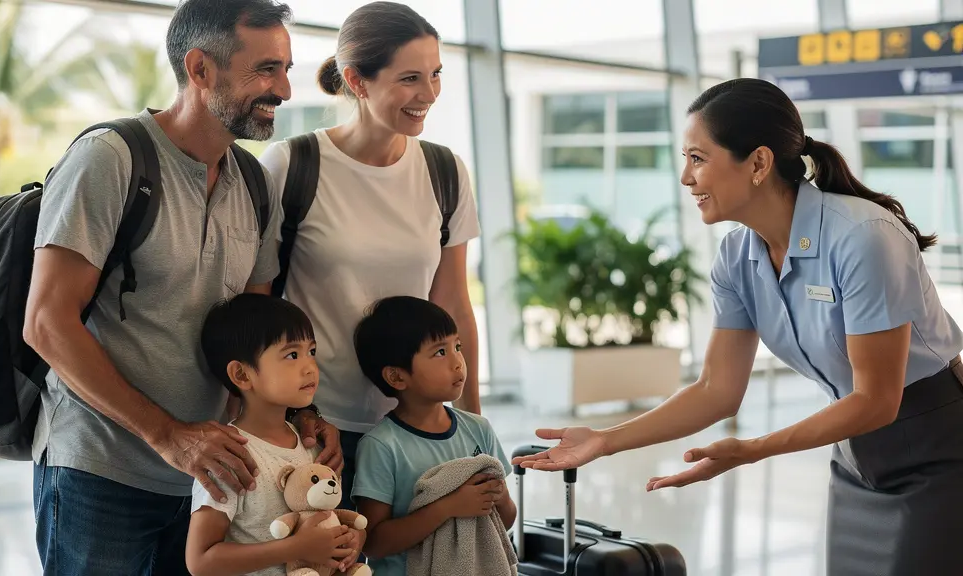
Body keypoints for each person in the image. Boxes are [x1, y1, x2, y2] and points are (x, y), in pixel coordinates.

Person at [512, 77, 963, 576]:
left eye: (698, 158)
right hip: (857, 453)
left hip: (938, 447)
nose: (686, 177)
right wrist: (606, 439)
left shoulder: (863, 237)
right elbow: (716, 389)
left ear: (759, 163)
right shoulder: (736, 257)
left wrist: (751, 450)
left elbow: (877, 399)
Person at [23, 1, 339, 573]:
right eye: (266, 69)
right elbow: (46, 323)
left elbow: (256, 332)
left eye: (287, 68)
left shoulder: (252, 181)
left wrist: (296, 413)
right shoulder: (110, 160)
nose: (285, 90)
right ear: (200, 69)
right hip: (101, 470)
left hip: (211, 481)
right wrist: (167, 435)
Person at [259, 0, 482, 513]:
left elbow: (453, 305)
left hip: (418, 429)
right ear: (358, 81)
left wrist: (470, 425)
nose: (428, 94)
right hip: (319, 430)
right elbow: (259, 303)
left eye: (436, 74)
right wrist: (290, 418)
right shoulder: (293, 165)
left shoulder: (445, 171)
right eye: (409, 79)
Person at [186, 293, 359, 576]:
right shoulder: (229, 453)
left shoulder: (311, 445)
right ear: (242, 375)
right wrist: (296, 547)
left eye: (311, 352)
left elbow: (325, 523)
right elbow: (201, 561)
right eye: (292, 355)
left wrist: (349, 540)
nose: (310, 366)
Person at [349, 296, 516, 575]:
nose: (458, 362)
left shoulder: (478, 428)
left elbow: (506, 520)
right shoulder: (381, 446)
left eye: (457, 346)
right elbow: (374, 543)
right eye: (440, 352)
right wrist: (447, 508)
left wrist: (497, 496)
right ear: (397, 377)